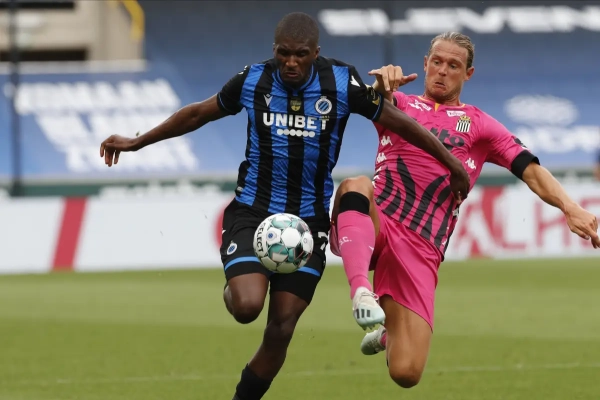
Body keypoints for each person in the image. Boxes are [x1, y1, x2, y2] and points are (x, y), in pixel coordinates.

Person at [99, 13, 470, 400]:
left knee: (281, 328)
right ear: (274, 50)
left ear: (316, 53)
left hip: (309, 224)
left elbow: (399, 122)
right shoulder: (254, 79)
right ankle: (237, 282)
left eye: (300, 55)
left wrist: (452, 163)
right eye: (283, 53)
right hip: (253, 210)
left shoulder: (341, 82)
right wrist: (136, 142)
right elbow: (196, 113)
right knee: (247, 307)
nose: (291, 62)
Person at [329, 31, 600, 389]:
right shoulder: (399, 104)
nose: (442, 71)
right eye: (436, 62)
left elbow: (531, 170)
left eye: (453, 65)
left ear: (468, 74)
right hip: (379, 223)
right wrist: (381, 86)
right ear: (425, 64)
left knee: (406, 373)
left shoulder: (480, 125)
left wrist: (570, 207)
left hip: (421, 248)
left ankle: (388, 331)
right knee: (355, 185)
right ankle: (361, 291)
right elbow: (368, 97)